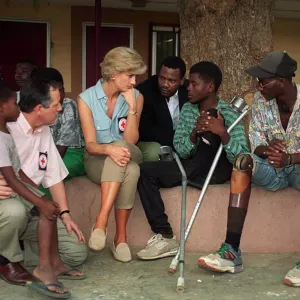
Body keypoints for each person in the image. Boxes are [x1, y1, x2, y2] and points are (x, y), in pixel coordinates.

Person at [198, 51, 300, 287]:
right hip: (272, 169)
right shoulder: (261, 102)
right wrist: (267, 149)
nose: (258, 85)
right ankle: (231, 251)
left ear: (282, 81)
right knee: (243, 161)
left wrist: (290, 159)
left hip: (296, 168)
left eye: (263, 80)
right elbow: (255, 142)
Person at [136, 61, 249, 260]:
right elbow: (179, 147)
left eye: (194, 84)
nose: (188, 88)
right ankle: (165, 236)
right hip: (191, 167)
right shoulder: (188, 109)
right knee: (144, 172)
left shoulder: (230, 113)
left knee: (213, 121)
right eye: (188, 83)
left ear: (210, 87)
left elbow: (242, 158)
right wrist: (194, 134)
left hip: (216, 170)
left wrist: (222, 133)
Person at [0, 78, 88, 287]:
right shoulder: (7, 127)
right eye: (57, 105)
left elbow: (53, 177)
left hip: (29, 207)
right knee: (15, 212)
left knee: (76, 252)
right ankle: (10, 260)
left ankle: (23, 253)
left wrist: (65, 214)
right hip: (9, 206)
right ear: (40, 108)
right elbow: (14, 176)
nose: (60, 109)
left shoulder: (45, 131)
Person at [78, 47, 146, 262]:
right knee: (131, 170)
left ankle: (101, 220)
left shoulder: (136, 97)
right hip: (97, 159)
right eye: (130, 75)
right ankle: (120, 239)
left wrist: (132, 107)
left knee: (122, 148)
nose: (134, 82)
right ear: (113, 73)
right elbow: (90, 145)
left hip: (129, 151)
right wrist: (109, 149)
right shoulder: (86, 99)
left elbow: (131, 140)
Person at [30, 67, 85, 198]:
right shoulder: (37, 106)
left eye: (61, 89)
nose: (60, 93)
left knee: (49, 173)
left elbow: (62, 147)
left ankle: (44, 209)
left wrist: (45, 165)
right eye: (54, 89)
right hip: (46, 153)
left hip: (70, 153)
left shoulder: (68, 105)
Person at [136, 56, 188, 162]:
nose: (165, 84)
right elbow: (146, 131)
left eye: (171, 81)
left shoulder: (189, 91)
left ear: (181, 81)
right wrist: (178, 139)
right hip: (151, 142)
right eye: (162, 78)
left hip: (181, 141)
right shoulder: (146, 91)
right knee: (155, 152)